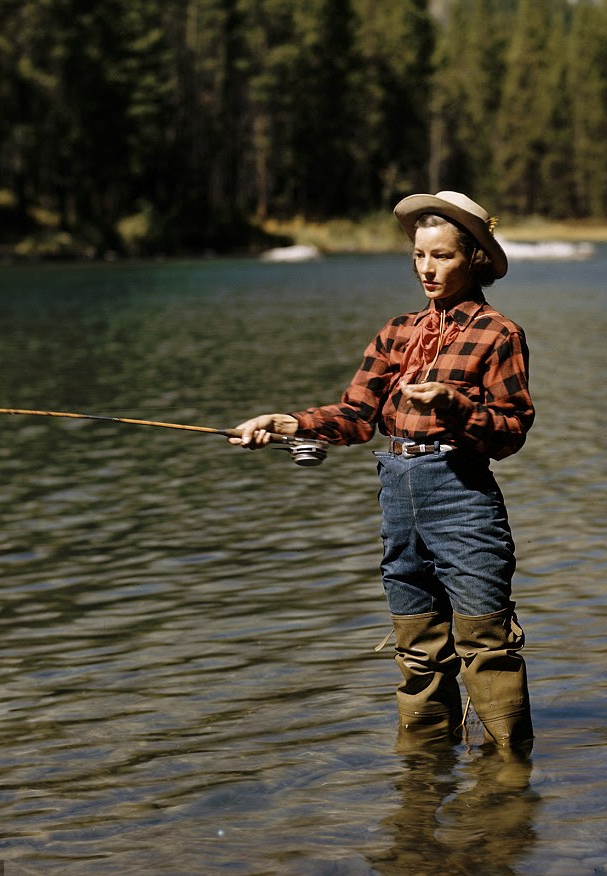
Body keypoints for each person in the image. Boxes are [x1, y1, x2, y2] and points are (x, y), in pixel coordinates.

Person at [231, 191, 534, 752]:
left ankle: (507, 790)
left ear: (475, 259)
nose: (426, 268)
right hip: (398, 500)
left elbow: (511, 432)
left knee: (486, 647)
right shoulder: (396, 333)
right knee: (418, 650)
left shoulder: (499, 334)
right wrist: (287, 422)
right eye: (419, 256)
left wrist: (453, 405)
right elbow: (353, 418)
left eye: (441, 256)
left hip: (463, 499)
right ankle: (422, 784)